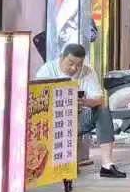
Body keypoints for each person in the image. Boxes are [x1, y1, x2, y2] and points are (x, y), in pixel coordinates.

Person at [36, 42, 122, 178]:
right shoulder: (47, 70)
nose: (74, 68)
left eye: (78, 65)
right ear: (62, 58)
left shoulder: (88, 71)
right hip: (54, 121)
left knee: (103, 110)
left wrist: (85, 102)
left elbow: (99, 98)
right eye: (70, 63)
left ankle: (107, 164)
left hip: (78, 118)